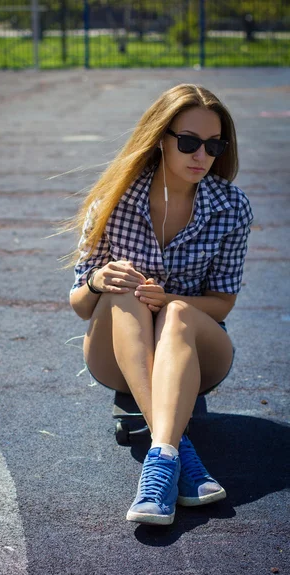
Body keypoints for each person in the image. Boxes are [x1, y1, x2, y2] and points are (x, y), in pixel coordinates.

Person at [68, 83, 253, 526]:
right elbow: (78, 304)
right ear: (161, 138)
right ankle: (175, 453)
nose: (201, 156)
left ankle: (160, 460)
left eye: (214, 145)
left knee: (176, 312)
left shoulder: (231, 208)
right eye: (188, 142)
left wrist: (170, 299)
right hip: (115, 356)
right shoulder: (113, 200)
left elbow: (222, 305)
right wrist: (96, 280)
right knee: (123, 288)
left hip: (199, 354)